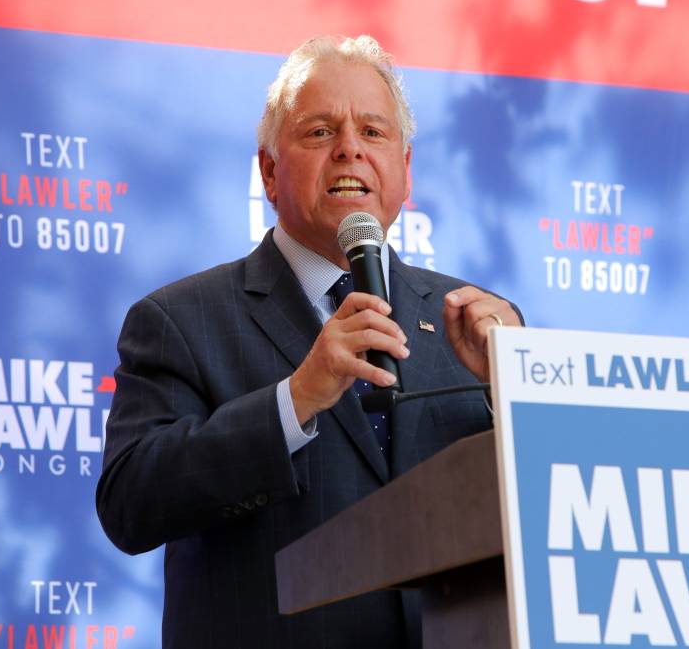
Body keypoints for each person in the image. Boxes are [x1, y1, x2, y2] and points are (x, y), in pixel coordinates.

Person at [96, 34, 521, 648]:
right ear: (269, 171)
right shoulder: (179, 321)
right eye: (320, 132)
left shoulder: (479, 322)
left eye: (373, 133)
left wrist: (510, 394)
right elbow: (130, 505)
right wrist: (294, 401)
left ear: (405, 170)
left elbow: (554, 514)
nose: (350, 148)